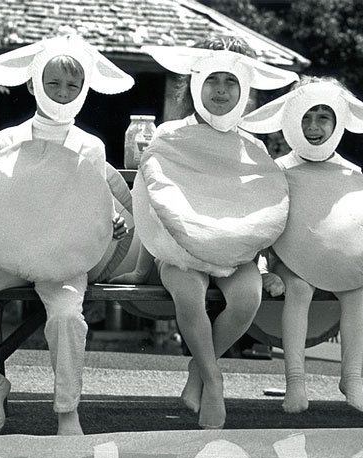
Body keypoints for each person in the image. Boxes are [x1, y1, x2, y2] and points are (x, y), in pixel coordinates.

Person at [0, 35, 133, 436]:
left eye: (72, 86)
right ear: (32, 84)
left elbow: (92, 198)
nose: (62, 93)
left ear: (84, 90)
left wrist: (114, 218)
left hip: (63, 262)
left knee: (66, 316)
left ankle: (67, 412)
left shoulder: (90, 146)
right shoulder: (11, 138)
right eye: (53, 84)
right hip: (7, 255)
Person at [111, 36, 297, 429]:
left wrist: (259, 265)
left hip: (234, 254)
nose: (222, 91)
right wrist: (143, 271)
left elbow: (257, 211)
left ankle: (197, 371)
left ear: (245, 90)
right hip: (178, 252)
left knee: (247, 299)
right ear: (195, 84)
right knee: (189, 294)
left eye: (232, 82)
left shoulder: (251, 146)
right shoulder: (169, 137)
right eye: (214, 80)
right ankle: (213, 381)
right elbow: (152, 208)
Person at [241, 76, 363, 414]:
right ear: (290, 120)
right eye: (306, 117)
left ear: (338, 121)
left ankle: (352, 378)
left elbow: (358, 224)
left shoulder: (349, 173)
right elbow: (260, 226)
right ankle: (295, 381)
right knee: (299, 287)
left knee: (356, 287)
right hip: (289, 261)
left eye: (323, 116)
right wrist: (262, 270)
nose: (314, 126)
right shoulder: (280, 169)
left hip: (334, 260)